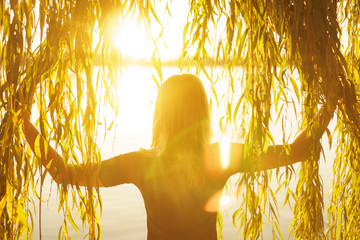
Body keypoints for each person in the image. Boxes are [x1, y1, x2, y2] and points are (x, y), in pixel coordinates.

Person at [20, 74, 333, 240]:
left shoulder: (141, 164)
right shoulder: (221, 157)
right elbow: (296, 152)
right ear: (203, 114)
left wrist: (23, 120)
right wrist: (330, 102)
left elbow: (64, 174)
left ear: (161, 115)